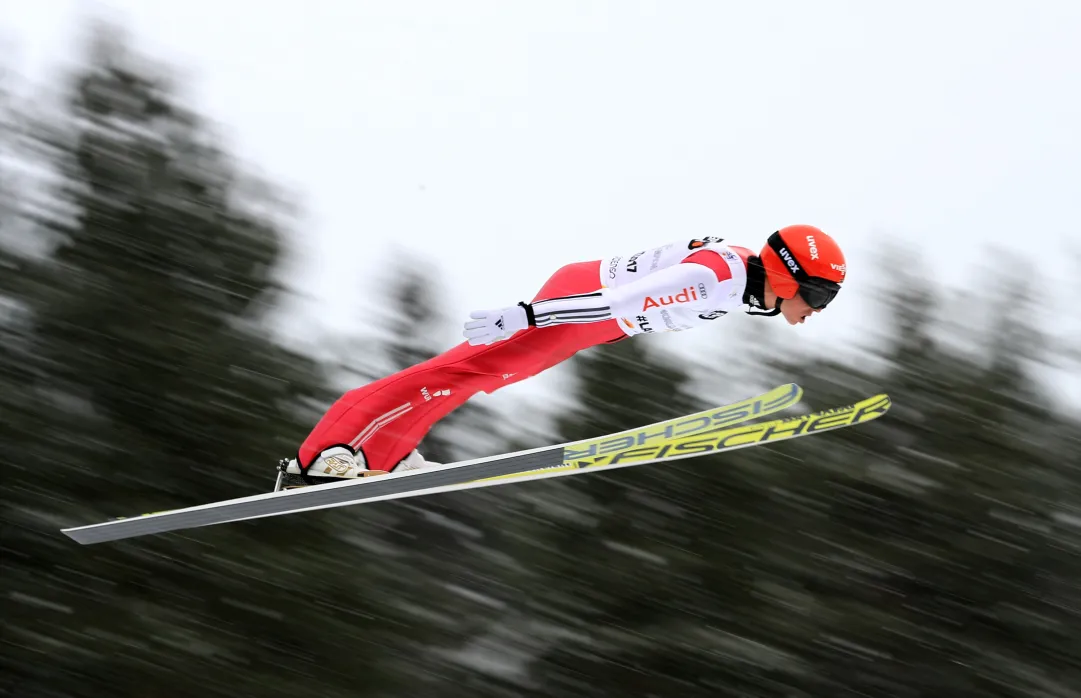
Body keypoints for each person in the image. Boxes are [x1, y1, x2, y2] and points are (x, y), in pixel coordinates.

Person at [276, 224, 846, 488]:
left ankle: (385, 452)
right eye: (817, 295)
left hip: (597, 323)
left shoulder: (738, 275)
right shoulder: (717, 280)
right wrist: (528, 315)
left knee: (472, 379)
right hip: (583, 308)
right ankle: (325, 452)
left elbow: (683, 255)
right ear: (784, 276)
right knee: (457, 370)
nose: (816, 311)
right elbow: (615, 299)